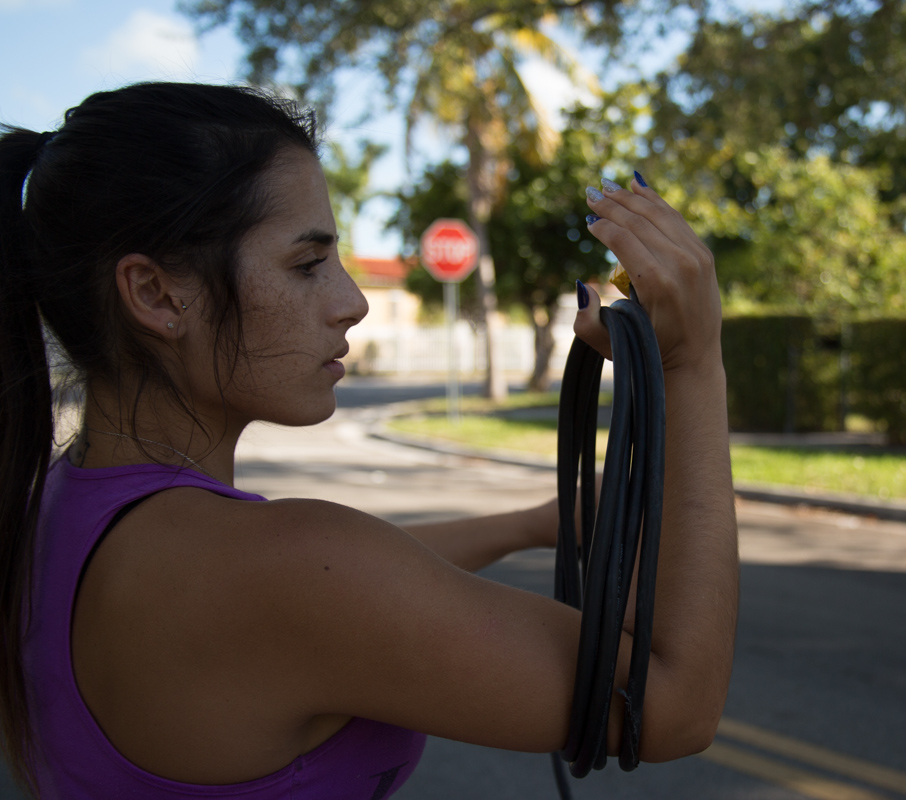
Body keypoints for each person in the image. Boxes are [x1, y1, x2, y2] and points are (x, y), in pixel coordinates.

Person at [0, 82, 738, 798]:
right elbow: (670, 706)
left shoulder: (57, 507)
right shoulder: (275, 570)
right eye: (308, 264)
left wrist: (536, 524)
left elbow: (361, 584)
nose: (351, 302)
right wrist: (693, 363)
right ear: (159, 294)